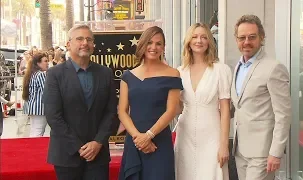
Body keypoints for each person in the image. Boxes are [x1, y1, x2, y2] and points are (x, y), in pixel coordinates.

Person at [43, 24, 118, 180]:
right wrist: (79, 146)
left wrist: (98, 142)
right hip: (66, 154)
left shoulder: (105, 73)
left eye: (89, 39)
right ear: (69, 44)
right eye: (80, 39)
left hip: (98, 155)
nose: (85, 42)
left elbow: (111, 112)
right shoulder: (55, 74)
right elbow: (53, 116)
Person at [231, 15, 291, 180]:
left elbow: (283, 115)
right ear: (236, 40)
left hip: (262, 153)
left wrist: (276, 152)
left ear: (262, 37)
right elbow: (239, 105)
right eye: (242, 38)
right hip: (240, 150)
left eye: (252, 37)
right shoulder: (238, 66)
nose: (246, 42)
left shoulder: (274, 68)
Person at [118, 26, 183, 180]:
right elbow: (122, 111)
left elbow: (171, 110)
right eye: (150, 42)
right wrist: (138, 138)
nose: (153, 47)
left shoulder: (173, 74)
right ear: (142, 44)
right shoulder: (128, 76)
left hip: (159, 141)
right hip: (134, 141)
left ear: (163, 47)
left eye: (158, 43)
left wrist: (148, 136)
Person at [174, 23, 232, 180]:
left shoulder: (221, 70)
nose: (199, 41)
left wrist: (224, 145)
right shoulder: (180, 71)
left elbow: (225, 110)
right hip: (185, 135)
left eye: (203, 37)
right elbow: (177, 107)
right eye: (194, 36)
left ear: (209, 41)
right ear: (188, 41)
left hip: (212, 135)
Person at [22, 53, 48, 137]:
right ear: (38, 63)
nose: (47, 63)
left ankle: (31, 147)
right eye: (45, 61)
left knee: (34, 129)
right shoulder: (40, 74)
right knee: (38, 131)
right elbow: (46, 91)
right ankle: (34, 148)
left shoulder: (32, 74)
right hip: (40, 108)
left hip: (32, 106)